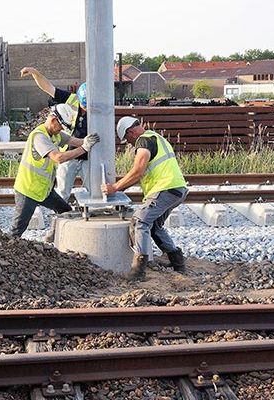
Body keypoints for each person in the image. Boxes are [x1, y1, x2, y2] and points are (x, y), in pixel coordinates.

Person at [102, 116, 188, 281]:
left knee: (140, 221)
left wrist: (115, 188)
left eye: (127, 139)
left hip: (165, 189)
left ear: (131, 132)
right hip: (176, 189)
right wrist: (121, 187)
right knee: (155, 225)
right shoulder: (156, 137)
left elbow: (137, 171)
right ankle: (177, 262)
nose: (129, 143)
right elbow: (140, 174)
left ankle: (139, 271)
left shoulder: (143, 141)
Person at [10, 104, 100, 237]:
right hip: (28, 190)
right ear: (53, 120)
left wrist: (85, 141)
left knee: (65, 211)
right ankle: (6, 251)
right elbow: (58, 158)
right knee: (17, 229)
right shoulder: (39, 136)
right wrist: (84, 148)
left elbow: (71, 140)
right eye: (61, 127)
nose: (61, 130)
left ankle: (57, 236)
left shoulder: (54, 134)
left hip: (43, 191)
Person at [19, 67, 88, 203]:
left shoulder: (99, 109)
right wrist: (35, 72)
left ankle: (93, 214)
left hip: (89, 157)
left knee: (93, 189)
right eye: (84, 105)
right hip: (68, 154)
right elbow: (48, 87)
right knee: (62, 192)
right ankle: (61, 214)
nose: (86, 108)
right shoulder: (71, 99)